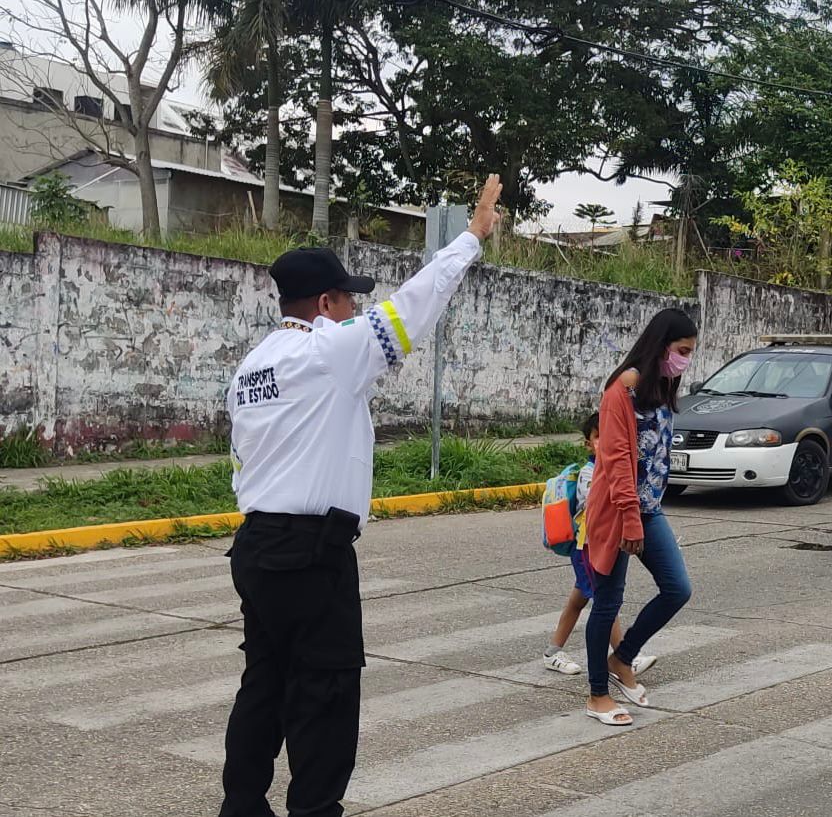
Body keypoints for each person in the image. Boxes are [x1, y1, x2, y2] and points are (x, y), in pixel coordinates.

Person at [218, 175, 502, 817]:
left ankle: (241, 805)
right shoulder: (328, 349)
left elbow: (245, 458)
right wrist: (471, 238)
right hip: (310, 554)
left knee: (264, 682)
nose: (355, 310)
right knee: (325, 693)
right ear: (325, 302)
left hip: (257, 544)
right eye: (349, 300)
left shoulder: (253, 365)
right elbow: (414, 305)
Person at [582, 308, 697, 726]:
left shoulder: (661, 387)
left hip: (649, 510)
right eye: (682, 350)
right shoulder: (623, 388)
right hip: (618, 512)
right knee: (608, 602)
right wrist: (630, 518)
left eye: (689, 352)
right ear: (661, 345)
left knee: (677, 589)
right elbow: (615, 459)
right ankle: (597, 696)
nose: (685, 359)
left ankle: (622, 657)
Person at [543, 412, 656, 677]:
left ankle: (552, 652)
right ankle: (624, 657)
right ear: (588, 444)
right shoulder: (589, 474)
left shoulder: (614, 470)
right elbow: (599, 505)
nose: (605, 441)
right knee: (606, 602)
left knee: (579, 599)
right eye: (598, 437)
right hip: (586, 548)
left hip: (599, 548)